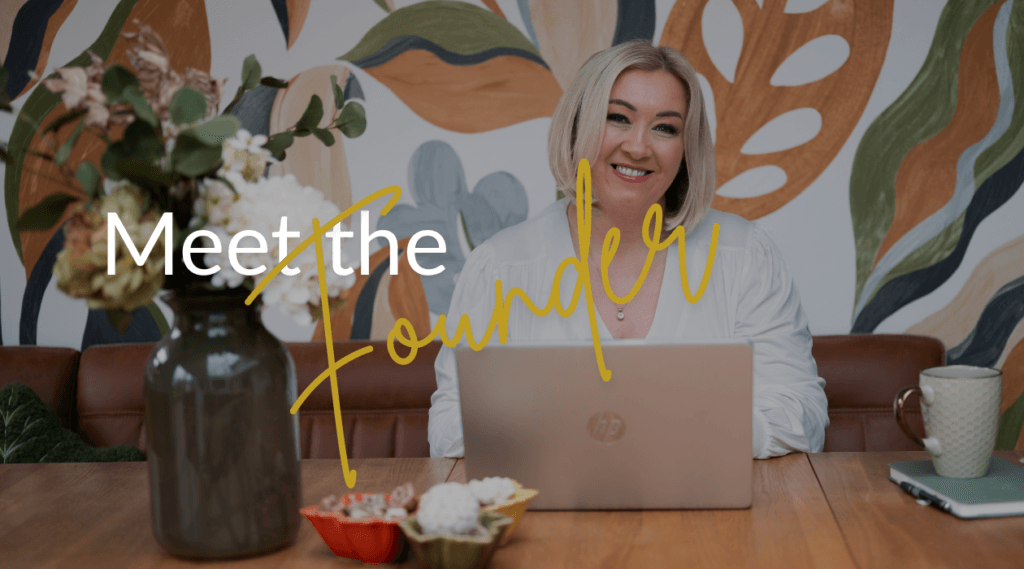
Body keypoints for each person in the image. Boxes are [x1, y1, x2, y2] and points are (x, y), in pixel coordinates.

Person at [428, 40, 828, 459]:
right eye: (617, 118)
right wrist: (586, 431)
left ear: (686, 149)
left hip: (702, 503)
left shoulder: (745, 257)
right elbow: (450, 430)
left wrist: (663, 432)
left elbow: (801, 415)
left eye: (665, 128)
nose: (638, 147)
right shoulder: (500, 267)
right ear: (577, 128)